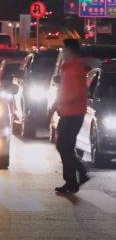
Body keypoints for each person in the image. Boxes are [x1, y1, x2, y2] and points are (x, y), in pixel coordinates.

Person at [49, 38, 89, 193]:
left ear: (70, 50)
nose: (62, 52)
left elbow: (76, 93)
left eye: (64, 49)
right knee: (65, 147)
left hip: (74, 113)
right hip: (66, 112)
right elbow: (63, 92)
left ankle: (80, 173)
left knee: (63, 147)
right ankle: (72, 181)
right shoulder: (66, 68)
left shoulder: (76, 69)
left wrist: (61, 103)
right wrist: (54, 107)